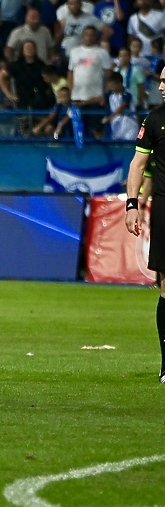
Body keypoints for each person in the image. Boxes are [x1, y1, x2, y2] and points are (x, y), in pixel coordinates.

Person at [124, 64, 165, 385]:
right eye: (161, 80)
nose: (162, 86)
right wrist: (132, 204)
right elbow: (138, 164)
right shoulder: (154, 120)